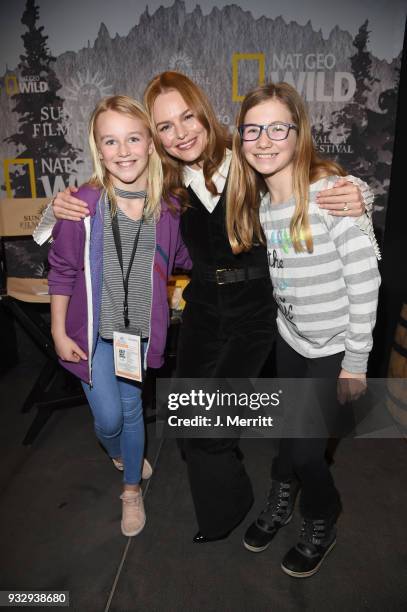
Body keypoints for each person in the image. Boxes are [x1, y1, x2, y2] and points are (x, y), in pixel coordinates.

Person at [35, 72, 372, 543]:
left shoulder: (250, 159)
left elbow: (309, 176)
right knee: (190, 421)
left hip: (254, 313)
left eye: (187, 117)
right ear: (155, 139)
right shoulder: (168, 186)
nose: (181, 133)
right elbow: (101, 198)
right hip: (203, 312)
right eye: (166, 127)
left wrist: (361, 194)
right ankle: (225, 513)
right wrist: (56, 207)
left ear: (204, 112)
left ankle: (283, 495)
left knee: (215, 429)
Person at [227, 82, 380, 576]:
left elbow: (366, 282)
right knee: (288, 435)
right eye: (253, 129)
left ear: (299, 134)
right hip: (291, 341)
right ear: (241, 138)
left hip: (334, 348)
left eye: (278, 127)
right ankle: (281, 495)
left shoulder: (333, 195)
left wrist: (355, 363)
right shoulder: (262, 200)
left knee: (311, 452)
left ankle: (321, 514)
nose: (264, 139)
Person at [47, 95, 190, 538]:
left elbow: (185, 255)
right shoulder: (83, 205)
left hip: (137, 336)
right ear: (98, 147)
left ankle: (130, 491)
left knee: (130, 412)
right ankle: (119, 453)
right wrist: (56, 329)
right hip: (91, 337)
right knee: (107, 420)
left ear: (151, 143)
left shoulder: (168, 207)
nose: (123, 150)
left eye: (133, 138)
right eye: (111, 141)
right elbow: (63, 269)